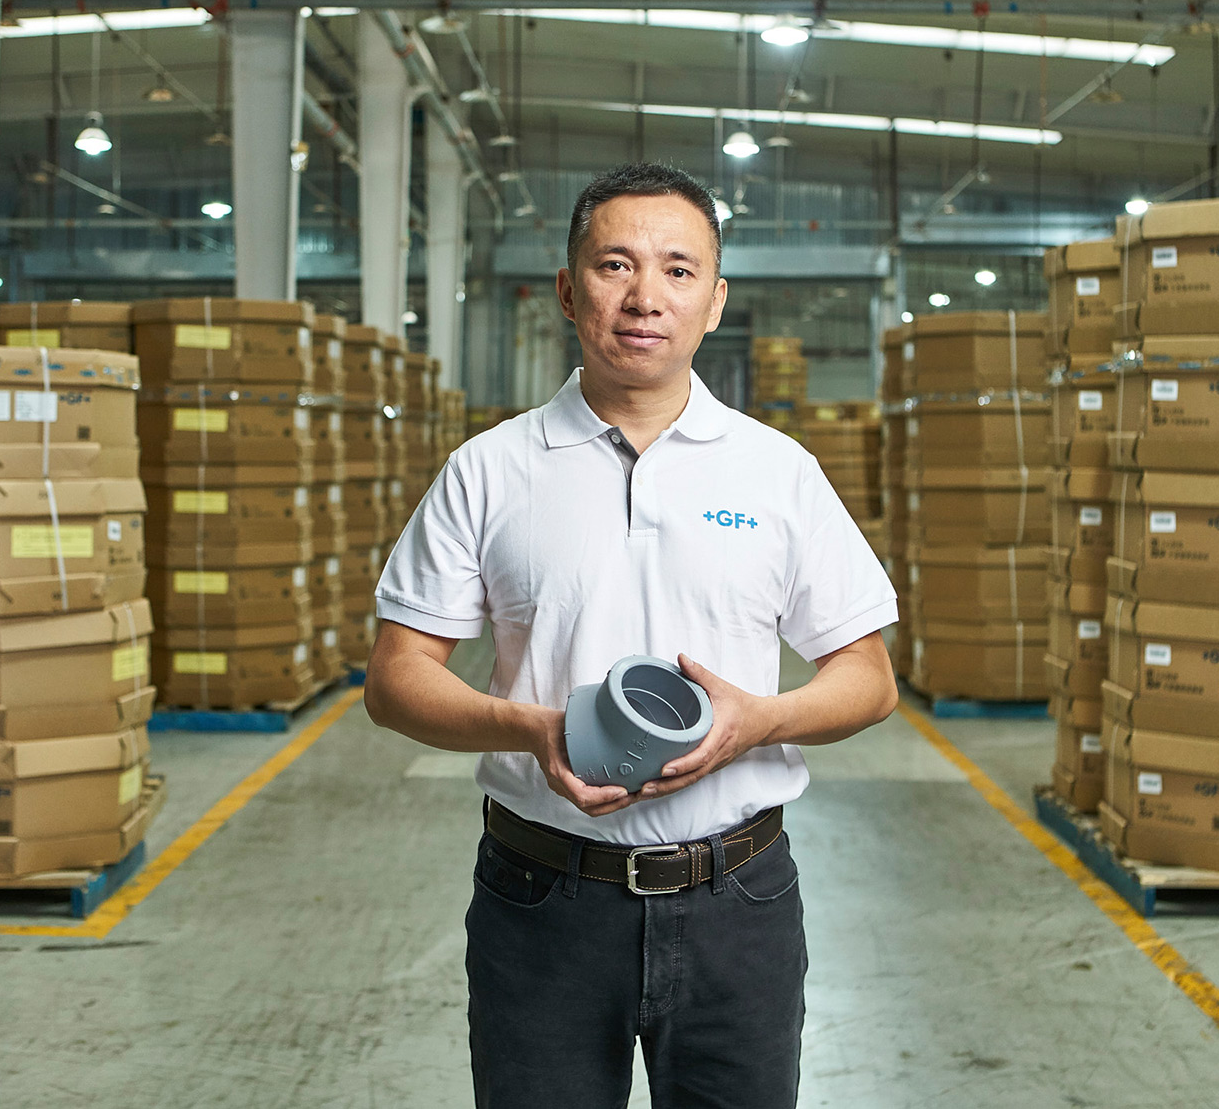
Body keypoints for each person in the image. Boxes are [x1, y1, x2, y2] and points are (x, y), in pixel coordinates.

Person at [366, 161, 900, 1109]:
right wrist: (529, 729)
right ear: (570, 291)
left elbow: (867, 676)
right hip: (544, 897)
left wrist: (760, 720)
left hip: (738, 897)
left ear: (715, 299)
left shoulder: (777, 474)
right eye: (615, 265)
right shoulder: (489, 471)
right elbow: (397, 676)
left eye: (678, 270)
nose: (645, 296)